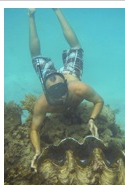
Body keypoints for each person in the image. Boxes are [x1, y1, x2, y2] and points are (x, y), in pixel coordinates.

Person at [28, 8, 104, 172]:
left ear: (66, 86)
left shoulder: (77, 88)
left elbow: (99, 101)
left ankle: (56, 9)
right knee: (36, 57)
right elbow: (34, 128)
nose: (61, 98)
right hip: (52, 78)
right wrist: (37, 150)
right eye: (55, 94)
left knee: (76, 47)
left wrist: (92, 119)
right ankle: (31, 16)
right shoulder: (43, 103)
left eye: (62, 91)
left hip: (70, 74)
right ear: (46, 92)